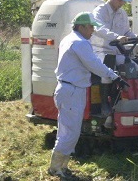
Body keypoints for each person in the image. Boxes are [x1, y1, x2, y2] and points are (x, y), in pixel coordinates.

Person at [48, 12, 127, 178]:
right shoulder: (80, 43)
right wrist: (115, 76)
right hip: (72, 91)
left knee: (67, 131)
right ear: (81, 26)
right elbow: (94, 64)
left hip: (68, 89)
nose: (93, 30)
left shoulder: (69, 39)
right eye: (91, 27)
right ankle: (56, 169)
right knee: (70, 133)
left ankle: (61, 166)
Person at [91, 0, 138, 66]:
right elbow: (99, 29)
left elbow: (126, 33)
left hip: (118, 53)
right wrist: (116, 37)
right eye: (120, 0)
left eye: (124, 0)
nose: (122, 3)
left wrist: (137, 37)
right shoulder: (99, 11)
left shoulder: (122, 13)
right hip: (100, 53)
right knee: (132, 66)